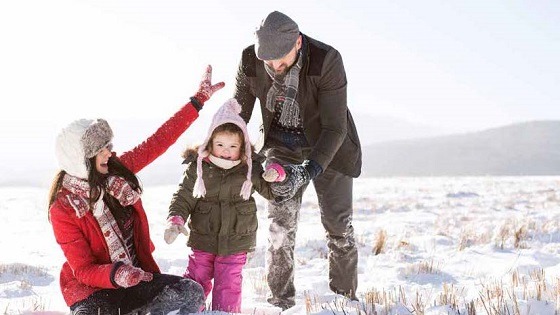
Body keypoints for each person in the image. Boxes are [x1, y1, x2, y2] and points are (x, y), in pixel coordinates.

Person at [47, 66, 224, 315]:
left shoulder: (118, 171)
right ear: (81, 158)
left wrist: (197, 102)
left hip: (135, 279)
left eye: (108, 145)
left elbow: (158, 141)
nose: (109, 152)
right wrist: (117, 273)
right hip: (92, 289)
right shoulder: (63, 209)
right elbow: (84, 269)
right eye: (101, 149)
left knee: (191, 293)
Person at [233, 11, 363, 310]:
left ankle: (344, 301)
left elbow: (335, 127)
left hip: (329, 147)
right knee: (280, 227)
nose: (275, 68)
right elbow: (239, 114)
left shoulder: (326, 60)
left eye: (281, 60)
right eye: (269, 62)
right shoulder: (250, 60)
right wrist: (225, 150)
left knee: (338, 226)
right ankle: (280, 303)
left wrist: (310, 169)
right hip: (281, 147)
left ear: (298, 42)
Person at [163, 98, 284, 313]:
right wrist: (176, 219)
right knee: (195, 281)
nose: (225, 151)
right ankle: (189, 312)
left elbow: (272, 192)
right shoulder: (199, 167)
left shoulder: (249, 168)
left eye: (232, 146)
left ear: (243, 146)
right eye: (220, 145)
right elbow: (183, 196)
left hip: (236, 240)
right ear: (210, 143)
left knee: (229, 285)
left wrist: (276, 173)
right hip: (203, 238)